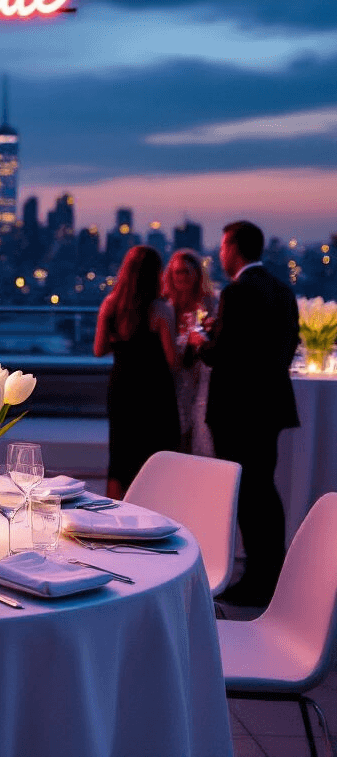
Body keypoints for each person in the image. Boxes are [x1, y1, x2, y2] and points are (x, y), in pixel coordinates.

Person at [190, 220, 300, 606]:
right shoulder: (282, 291)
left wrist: (201, 341)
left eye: (223, 246)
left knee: (250, 495)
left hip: (238, 410)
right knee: (264, 491)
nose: (220, 253)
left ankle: (256, 581)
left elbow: (224, 355)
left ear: (235, 248)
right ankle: (270, 575)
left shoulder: (237, 292)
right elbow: (285, 346)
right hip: (270, 406)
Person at [95, 245, 180, 499]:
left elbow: (98, 350)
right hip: (154, 392)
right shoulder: (161, 309)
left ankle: (114, 521)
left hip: (122, 389)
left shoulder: (110, 304)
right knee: (155, 458)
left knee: (120, 460)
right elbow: (172, 360)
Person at [162, 249, 216, 458]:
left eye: (186, 272)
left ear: (197, 274)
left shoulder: (210, 303)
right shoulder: (166, 306)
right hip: (175, 378)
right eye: (176, 273)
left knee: (201, 431)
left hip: (202, 376)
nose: (181, 277)